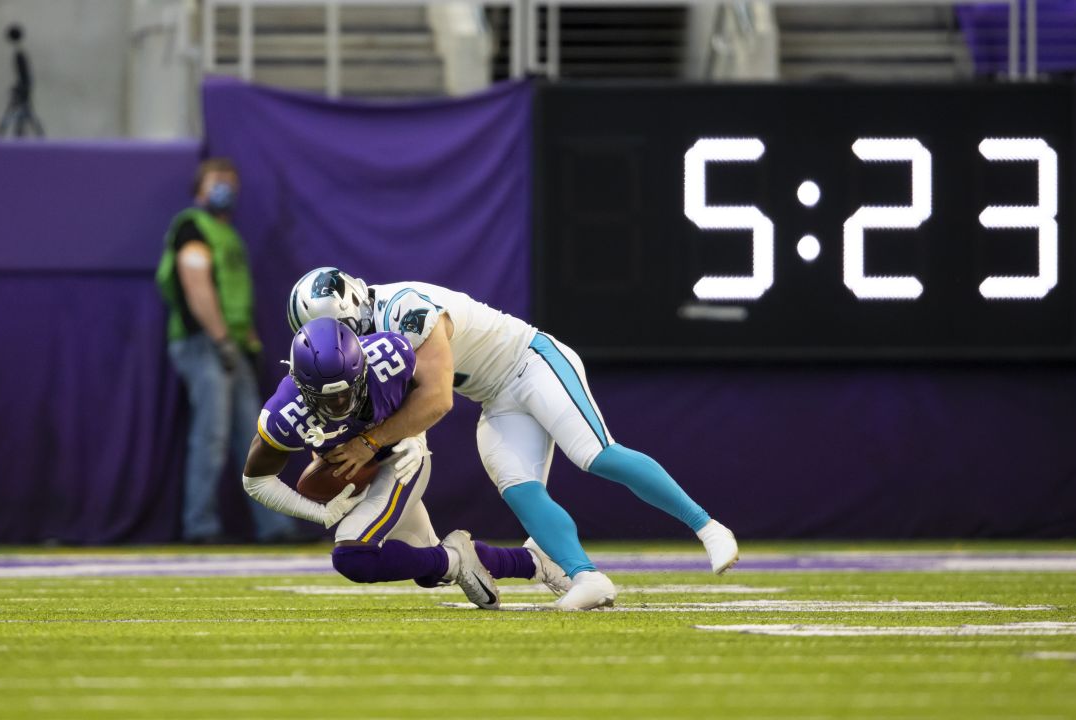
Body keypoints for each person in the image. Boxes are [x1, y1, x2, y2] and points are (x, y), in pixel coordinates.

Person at [286, 268, 740, 610]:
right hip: (495, 398)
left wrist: (372, 443)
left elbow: (437, 397)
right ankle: (586, 577)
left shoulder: (406, 308)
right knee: (519, 488)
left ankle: (708, 526)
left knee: (594, 454)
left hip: (532, 363)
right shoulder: (355, 347)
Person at [243, 317, 572, 608]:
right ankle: (534, 562)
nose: (340, 404)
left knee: (353, 556)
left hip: (401, 459)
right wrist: (318, 512)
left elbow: (430, 395)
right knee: (430, 570)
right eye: (327, 397)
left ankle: (457, 558)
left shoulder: (389, 355)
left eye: (347, 391)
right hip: (364, 478)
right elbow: (255, 480)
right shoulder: (286, 413)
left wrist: (415, 438)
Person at [155, 158, 300, 544]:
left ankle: (273, 526)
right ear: (199, 188)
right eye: (217, 180)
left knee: (256, 440)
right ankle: (199, 526)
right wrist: (220, 339)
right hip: (206, 343)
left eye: (231, 181)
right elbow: (196, 286)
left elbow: (236, 297)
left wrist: (245, 342)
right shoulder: (193, 227)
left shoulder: (228, 235)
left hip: (232, 344)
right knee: (212, 437)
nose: (226, 187)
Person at [0, 24, 45, 138]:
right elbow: (25, 76)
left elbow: (25, 76)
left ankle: (26, 138)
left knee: (26, 116)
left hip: (23, 92)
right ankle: (21, 136)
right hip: (23, 90)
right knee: (25, 117)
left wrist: (21, 89)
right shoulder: (20, 54)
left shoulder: (19, 55)